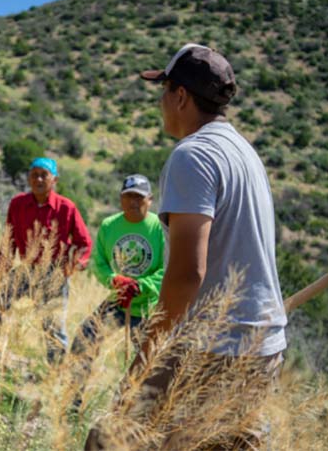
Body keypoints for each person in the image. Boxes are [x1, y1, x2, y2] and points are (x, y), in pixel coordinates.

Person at [85, 44, 287, 449]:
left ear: (180, 96)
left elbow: (187, 274)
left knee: (111, 439)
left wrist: (145, 360)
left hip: (212, 347)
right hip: (264, 345)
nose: (160, 102)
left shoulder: (192, 156)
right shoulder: (245, 153)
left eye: (164, 90)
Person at [0, 157, 92, 369]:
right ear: (29, 178)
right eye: (34, 175)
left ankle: (55, 375)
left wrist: (75, 265)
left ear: (54, 179)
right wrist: (3, 267)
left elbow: (84, 243)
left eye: (44, 175)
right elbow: (9, 237)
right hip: (26, 269)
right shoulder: (18, 204)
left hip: (54, 274)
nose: (39, 179)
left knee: (53, 326)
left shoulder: (66, 208)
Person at [69, 174, 164, 406]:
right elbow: (99, 263)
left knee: (149, 360)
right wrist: (114, 280)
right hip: (118, 302)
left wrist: (142, 285)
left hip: (148, 308)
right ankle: (73, 401)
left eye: (139, 197)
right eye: (128, 196)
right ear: (121, 199)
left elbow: (167, 269)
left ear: (150, 200)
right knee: (84, 339)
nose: (133, 202)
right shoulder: (109, 225)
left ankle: (141, 410)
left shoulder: (160, 228)